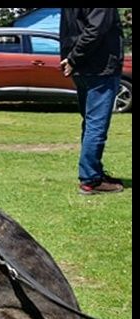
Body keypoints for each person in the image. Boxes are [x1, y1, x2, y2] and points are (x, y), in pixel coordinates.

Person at [59, 8, 126, 195]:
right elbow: (95, 30)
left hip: (81, 67)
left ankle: (94, 172)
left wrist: (70, 58)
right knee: (96, 124)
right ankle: (90, 180)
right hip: (99, 67)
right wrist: (73, 58)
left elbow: (67, 30)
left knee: (90, 123)